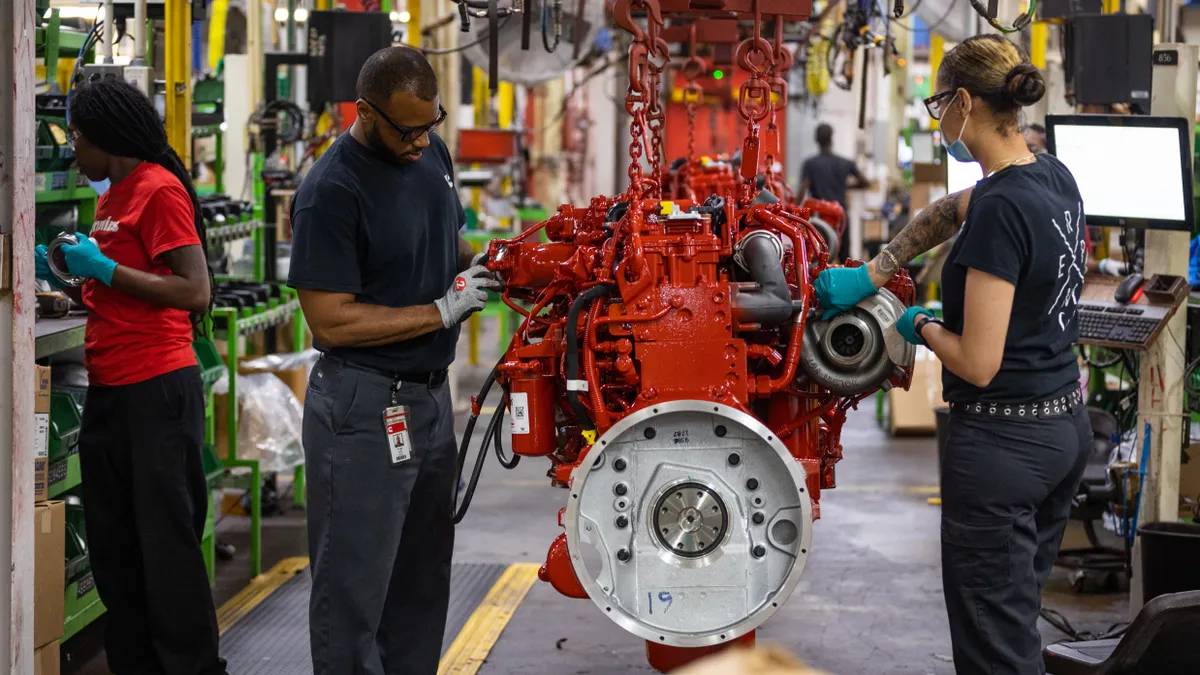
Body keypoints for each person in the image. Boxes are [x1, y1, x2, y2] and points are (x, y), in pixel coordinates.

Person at [813, 35, 1091, 674]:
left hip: (1003, 450)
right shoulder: (1050, 175)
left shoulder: (1000, 209)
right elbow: (946, 210)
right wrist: (879, 269)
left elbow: (976, 362)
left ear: (964, 102)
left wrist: (917, 325)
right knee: (1015, 621)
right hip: (1063, 431)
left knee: (994, 646)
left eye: (940, 104)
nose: (938, 117)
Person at [286, 46, 498, 675]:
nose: (419, 142)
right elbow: (330, 318)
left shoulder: (431, 152)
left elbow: (443, 236)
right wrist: (441, 310)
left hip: (432, 401)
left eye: (429, 124)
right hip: (365, 403)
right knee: (353, 589)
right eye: (406, 129)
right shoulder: (331, 191)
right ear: (365, 112)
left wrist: (490, 265)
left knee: (422, 580)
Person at [34, 80, 226, 675]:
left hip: (158, 392)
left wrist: (105, 268)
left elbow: (195, 291)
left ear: (106, 139)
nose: (73, 153)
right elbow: (119, 290)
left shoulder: (159, 190)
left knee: (166, 552)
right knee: (117, 552)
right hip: (110, 390)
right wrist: (70, 283)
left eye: (79, 140)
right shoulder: (114, 197)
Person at [798, 123, 869, 215]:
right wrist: (845, 186)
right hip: (840, 216)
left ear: (816, 140)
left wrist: (792, 211)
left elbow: (803, 189)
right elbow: (865, 183)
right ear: (832, 139)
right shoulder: (846, 163)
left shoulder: (810, 164)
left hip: (819, 217)